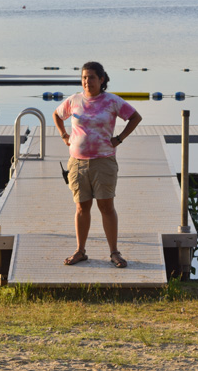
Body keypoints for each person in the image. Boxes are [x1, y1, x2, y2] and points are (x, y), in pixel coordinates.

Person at [53, 61, 142, 268]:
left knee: (106, 207)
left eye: (91, 77)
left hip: (103, 162)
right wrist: (64, 135)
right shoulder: (74, 100)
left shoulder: (111, 101)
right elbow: (57, 115)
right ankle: (80, 251)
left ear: (102, 80)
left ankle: (114, 252)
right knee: (81, 207)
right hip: (77, 163)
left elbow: (135, 117)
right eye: (84, 77)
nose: (87, 81)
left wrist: (119, 139)